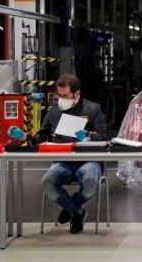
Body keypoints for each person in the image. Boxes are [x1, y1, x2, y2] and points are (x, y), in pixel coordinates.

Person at [39, 74, 108, 234]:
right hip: (63, 161)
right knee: (47, 181)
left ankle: (70, 208)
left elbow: (103, 136)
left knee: (90, 182)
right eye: (59, 95)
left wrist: (88, 135)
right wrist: (25, 137)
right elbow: (42, 135)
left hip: (89, 160)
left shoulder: (93, 109)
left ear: (77, 94)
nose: (61, 99)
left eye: (65, 96)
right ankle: (77, 212)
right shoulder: (54, 112)